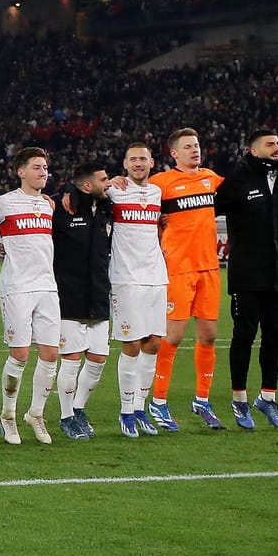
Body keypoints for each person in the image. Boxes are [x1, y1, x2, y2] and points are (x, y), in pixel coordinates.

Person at [216, 129, 278, 429]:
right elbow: (206, 213)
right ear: (253, 151)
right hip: (247, 273)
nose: (277, 148)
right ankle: (240, 399)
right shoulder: (237, 182)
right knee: (244, 336)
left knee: (275, 337)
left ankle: (268, 397)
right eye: (270, 144)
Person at [148, 128, 224, 432]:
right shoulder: (161, 184)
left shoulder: (212, 179)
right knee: (174, 336)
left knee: (208, 335)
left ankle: (202, 400)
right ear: (174, 154)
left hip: (210, 268)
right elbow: (137, 204)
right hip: (178, 268)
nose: (195, 150)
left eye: (197, 145)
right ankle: (159, 401)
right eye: (188, 147)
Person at [0, 147, 60, 445]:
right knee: (20, 354)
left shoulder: (49, 205)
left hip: (47, 287)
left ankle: (36, 414)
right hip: (16, 287)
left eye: (45, 168)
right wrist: (4, 246)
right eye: (37, 167)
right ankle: (7, 416)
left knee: (51, 354)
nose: (43, 172)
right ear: (21, 171)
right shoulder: (4, 203)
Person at [108, 142, 170, 438]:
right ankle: (126, 411)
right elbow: (80, 194)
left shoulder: (158, 192)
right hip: (126, 278)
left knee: (154, 343)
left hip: (156, 276)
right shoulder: (114, 190)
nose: (138, 163)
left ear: (152, 162)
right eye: (132, 159)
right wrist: (105, 182)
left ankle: (140, 408)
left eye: (142, 159)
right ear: (125, 163)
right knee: (131, 344)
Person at [51, 162, 112, 440]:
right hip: (68, 294)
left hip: (99, 292)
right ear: (87, 185)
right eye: (103, 178)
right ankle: (65, 417)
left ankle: (78, 408)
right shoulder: (61, 208)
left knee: (98, 358)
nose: (108, 183)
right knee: (72, 359)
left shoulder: (108, 207)